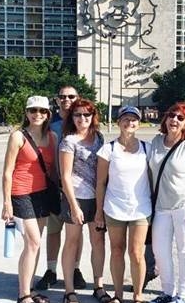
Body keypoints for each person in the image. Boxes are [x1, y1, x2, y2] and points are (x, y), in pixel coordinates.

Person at [147, 102, 185, 303]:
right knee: (160, 250)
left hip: (184, 206)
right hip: (160, 207)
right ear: (165, 118)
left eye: (181, 118)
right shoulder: (155, 142)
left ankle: (182, 295)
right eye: (172, 115)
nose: (175, 120)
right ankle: (168, 292)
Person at [1, 96, 57, 303]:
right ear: (26, 113)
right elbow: (7, 172)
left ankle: (30, 289)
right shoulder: (18, 136)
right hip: (21, 194)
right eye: (33, 111)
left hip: (42, 194)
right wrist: (6, 203)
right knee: (33, 242)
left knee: (35, 244)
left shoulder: (52, 137)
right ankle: (23, 295)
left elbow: (53, 169)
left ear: (48, 114)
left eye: (42, 111)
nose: (37, 115)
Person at [95, 106, 152, 303]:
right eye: (126, 119)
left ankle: (138, 295)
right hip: (114, 208)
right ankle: (118, 295)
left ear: (139, 123)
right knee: (117, 251)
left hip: (141, 209)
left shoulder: (147, 148)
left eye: (134, 119)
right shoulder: (107, 149)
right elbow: (101, 182)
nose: (130, 123)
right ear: (118, 122)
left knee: (137, 253)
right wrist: (99, 212)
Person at [35, 86, 87, 291]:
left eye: (71, 96)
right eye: (62, 97)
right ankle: (51, 269)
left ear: (78, 98)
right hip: (55, 186)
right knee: (54, 230)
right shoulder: (49, 124)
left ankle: (75, 268)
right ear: (56, 100)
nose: (66, 100)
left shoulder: (84, 121)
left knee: (76, 231)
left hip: (79, 188)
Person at [59, 98, 110, 303]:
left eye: (86, 114)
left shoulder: (98, 137)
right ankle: (69, 290)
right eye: (77, 114)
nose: (82, 118)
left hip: (97, 198)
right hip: (75, 199)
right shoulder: (68, 141)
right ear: (72, 117)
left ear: (93, 116)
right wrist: (73, 205)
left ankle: (98, 285)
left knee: (98, 241)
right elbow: (65, 176)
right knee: (72, 242)